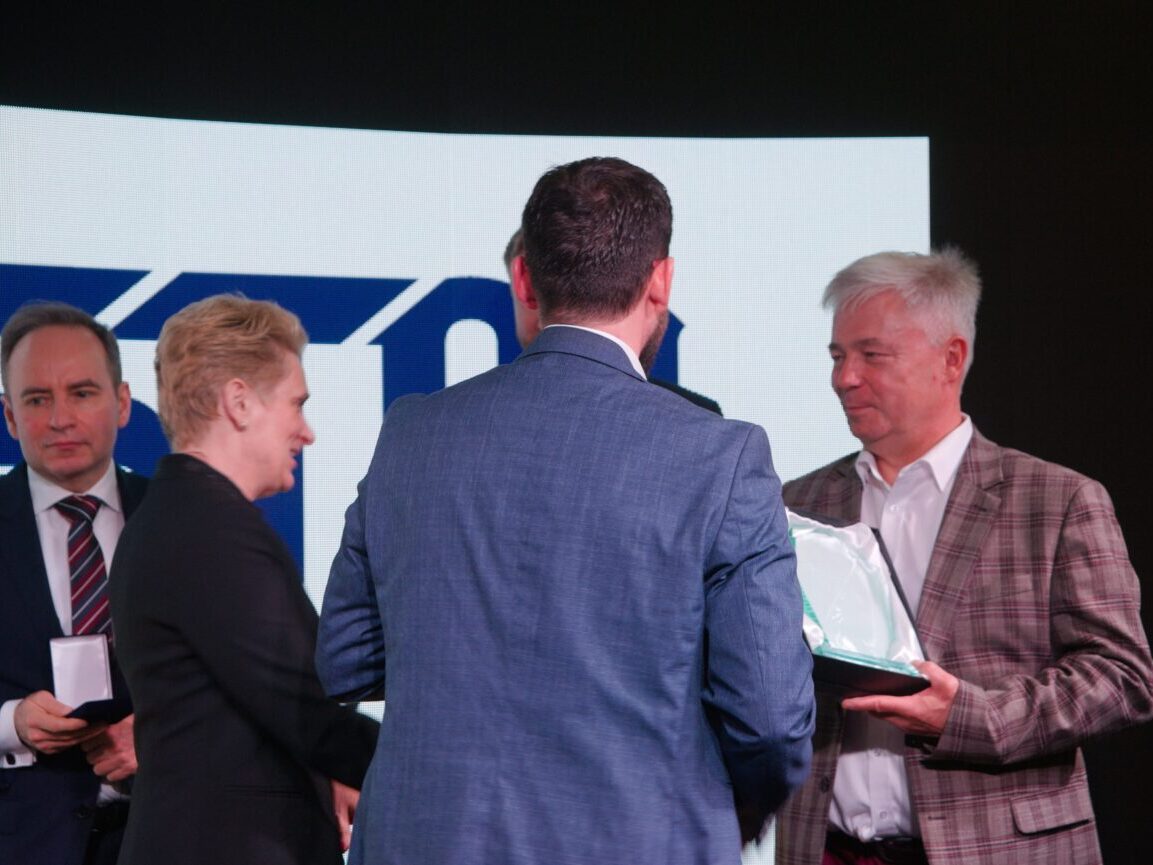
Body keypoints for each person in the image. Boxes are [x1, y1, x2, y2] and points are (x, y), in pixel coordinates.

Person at [318, 156, 815, 865]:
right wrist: (734, 808)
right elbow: (768, 719)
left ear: (523, 278)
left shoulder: (412, 431)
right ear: (661, 281)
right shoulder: (721, 456)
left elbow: (343, 661)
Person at [775, 249, 1153, 865]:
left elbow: (1122, 678)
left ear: (951, 358)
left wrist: (969, 717)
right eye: (838, 356)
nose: (844, 378)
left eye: (871, 355)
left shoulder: (1057, 500)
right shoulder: (797, 503)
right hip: (827, 851)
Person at [108, 294, 378, 865]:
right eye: (296, 404)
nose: (306, 432)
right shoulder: (209, 531)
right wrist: (439, 773)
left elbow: (254, 710)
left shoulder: (178, 517)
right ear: (239, 402)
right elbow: (307, 710)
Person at [0, 301, 145, 865]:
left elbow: (243, 686)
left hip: (166, 835)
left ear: (123, 403)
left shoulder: (182, 518)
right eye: (38, 399)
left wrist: (161, 734)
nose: (61, 418)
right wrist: (11, 723)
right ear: (10, 416)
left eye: (82, 393)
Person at [503, 226, 724, 414]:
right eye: (543, 288)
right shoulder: (485, 409)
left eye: (573, 286)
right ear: (522, 284)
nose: (560, 310)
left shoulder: (700, 421)